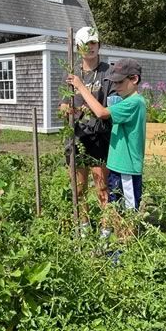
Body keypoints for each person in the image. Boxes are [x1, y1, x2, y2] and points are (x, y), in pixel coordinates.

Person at [67, 58, 146, 238]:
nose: (115, 86)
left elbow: (102, 113)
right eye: (113, 82)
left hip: (127, 169)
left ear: (134, 79)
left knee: (128, 213)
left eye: (119, 82)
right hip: (117, 167)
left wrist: (80, 86)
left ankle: (125, 250)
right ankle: (115, 247)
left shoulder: (135, 102)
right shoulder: (124, 101)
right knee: (116, 207)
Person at [59, 26, 115, 233]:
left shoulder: (108, 72)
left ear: (99, 45)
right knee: (79, 187)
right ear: (78, 47)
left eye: (93, 43)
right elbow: (64, 103)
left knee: (102, 185)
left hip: (100, 137)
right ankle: (83, 226)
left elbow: (109, 107)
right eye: (85, 44)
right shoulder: (72, 74)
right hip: (77, 135)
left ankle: (105, 230)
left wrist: (86, 106)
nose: (90, 48)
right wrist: (67, 108)